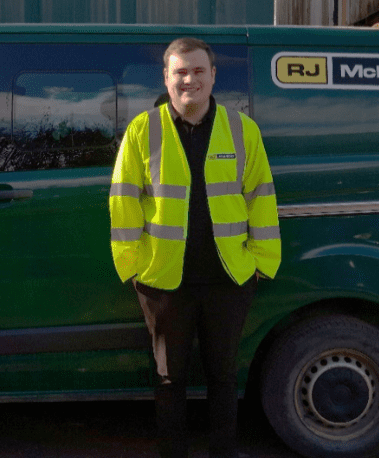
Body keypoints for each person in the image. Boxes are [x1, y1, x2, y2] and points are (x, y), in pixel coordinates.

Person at [109, 37, 281, 458]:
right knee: (170, 380)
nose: (191, 80)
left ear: (213, 76)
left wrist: (261, 261)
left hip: (230, 277)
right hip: (163, 281)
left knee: (223, 377)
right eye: (181, 72)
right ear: (166, 79)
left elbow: (261, 198)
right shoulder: (142, 130)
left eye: (199, 70)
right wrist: (131, 268)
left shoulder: (242, 130)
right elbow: (123, 201)